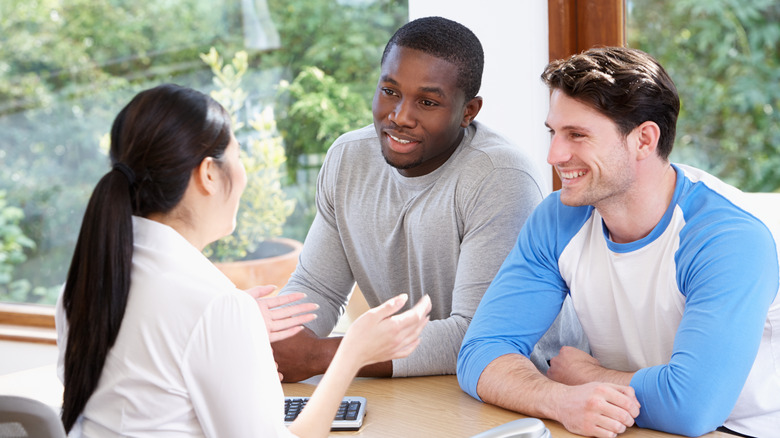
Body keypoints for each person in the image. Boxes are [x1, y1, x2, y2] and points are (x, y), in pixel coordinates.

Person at [55, 83, 432, 437]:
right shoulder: (213, 304)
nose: (244, 173)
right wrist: (352, 354)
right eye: (238, 156)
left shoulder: (88, 282)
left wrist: (235, 325)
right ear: (208, 174)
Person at [457, 46, 780, 438]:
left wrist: (589, 376)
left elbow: (693, 407)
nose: (554, 155)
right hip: (629, 424)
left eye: (577, 135)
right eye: (554, 133)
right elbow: (481, 352)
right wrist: (559, 399)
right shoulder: (559, 219)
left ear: (644, 140)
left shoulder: (726, 239)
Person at [272, 16, 587, 382]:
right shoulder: (347, 158)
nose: (400, 117)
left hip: (516, 387)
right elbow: (317, 287)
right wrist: (279, 338)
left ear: (468, 111)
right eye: (390, 91)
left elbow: (475, 334)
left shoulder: (499, 177)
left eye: (427, 101)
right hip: (408, 382)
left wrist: (319, 356)